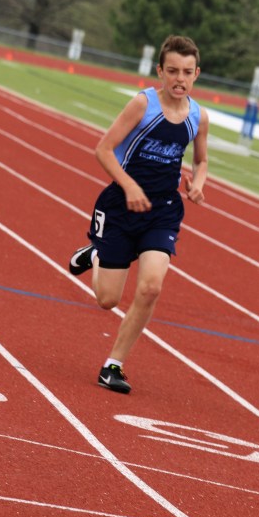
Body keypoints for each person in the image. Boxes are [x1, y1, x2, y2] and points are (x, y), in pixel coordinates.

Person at [68, 34, 209, 394]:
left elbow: (201, 159)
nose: (180, 79)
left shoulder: (198, 116)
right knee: (107, 300)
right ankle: (95, 252)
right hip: (121, 205)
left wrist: (198, 183)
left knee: (150, 288)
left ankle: (113, 364)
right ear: (160, 71)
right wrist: (130, 186)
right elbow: (104, 149)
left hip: (162, 210)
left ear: (197, 75)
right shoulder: (141, 105)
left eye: (187, 72)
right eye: (173, 71)